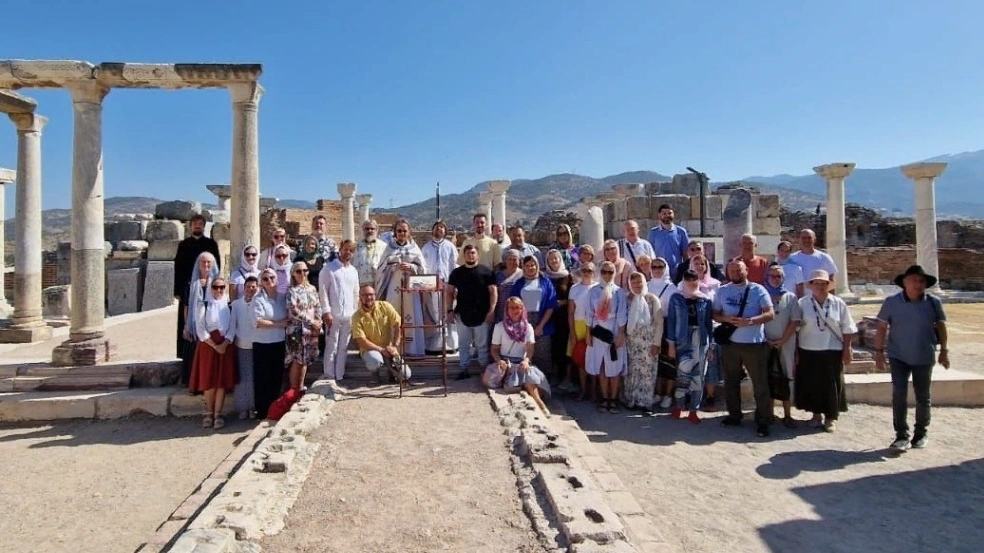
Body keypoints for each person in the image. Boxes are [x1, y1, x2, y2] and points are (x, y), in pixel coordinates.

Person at [873, 265, 949, 452]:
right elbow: (882, 327)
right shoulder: (891, 302)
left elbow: (941, 326)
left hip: (924, 355)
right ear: (905, 282)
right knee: (899, 395)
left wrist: (945, 351)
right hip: (898, 356)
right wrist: (879, 352)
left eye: (922, 281)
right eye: (914, 280)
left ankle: (921, 433)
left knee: (923, 396)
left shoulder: (933, 302)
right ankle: (901, 435)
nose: (918, 284)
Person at [714, 260, 775, 437]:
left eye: (738, 270)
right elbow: (715, 313)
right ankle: (734, 415)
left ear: (746, 270)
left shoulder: (758, 290)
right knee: (731, 381)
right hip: (731, 344)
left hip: (754, 343)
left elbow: (769, 313)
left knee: (760, 384)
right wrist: (726, 319)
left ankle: (763, 420)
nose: (735, 273)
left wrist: (750, 321)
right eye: (732, 270)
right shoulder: (723, 291)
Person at [795, 270, 857, 433]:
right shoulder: (802, 303)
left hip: (832, 348)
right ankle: (816, 415)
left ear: (828, 285)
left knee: (832, 383)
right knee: (813, 383)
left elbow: (847, 327)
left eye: (823, 283)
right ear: (811, 285)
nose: (820, 286)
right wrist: (795, 352)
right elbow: (796, 328)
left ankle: (831, 417)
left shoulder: (838, 303)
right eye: (817, 283)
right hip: (809, 348)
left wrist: (847, 348)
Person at [376, 219, 436, 357]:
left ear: (409, 232)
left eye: (404, 231)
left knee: (412, 316)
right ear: (395, 232)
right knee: (392, 316)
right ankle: (393, 349)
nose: (402, 233)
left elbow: (424, 269)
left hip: (411, 290)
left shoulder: (414, 249)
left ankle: (412, 349)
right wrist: (393, 267)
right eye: (399, 231)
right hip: (394, 288)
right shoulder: (388, 249)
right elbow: (380, 270)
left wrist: (412, 267)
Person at [188, 276, 236, 429]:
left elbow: (233, 327)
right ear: (210, 288)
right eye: (215, 287)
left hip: (225, 345)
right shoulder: (204, 305)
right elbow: (201, 328)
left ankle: (218, 414)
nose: (219, 290)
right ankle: (208, 412)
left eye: (222, 287)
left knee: (221, 381)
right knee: (209, 381)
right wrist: (215, 346)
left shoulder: (229, 305)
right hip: (209, 345)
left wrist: (225, 343)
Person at [666, 270, 714, 423]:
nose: (691, 282)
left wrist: (711, 346)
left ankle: (694, 410)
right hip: (682, 339)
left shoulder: (705, 300)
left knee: (698, 378)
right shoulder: (676, 298)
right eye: (688, 279)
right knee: (682, 376)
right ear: (683, 281)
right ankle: (679, 407)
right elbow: (671, 322)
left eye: (694, 279)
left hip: (701, 340)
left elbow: (708, 324)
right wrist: (671, 345)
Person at [490, 297, 552, 415]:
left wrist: (526, 360)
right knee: (527, 378)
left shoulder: (528, 327)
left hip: (521, 362)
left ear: (522, 309)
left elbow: (530, 349)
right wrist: (499, 361)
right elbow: (494, 349)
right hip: (506, 363)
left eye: (518, 307)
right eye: (512, 307)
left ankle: (538, 402)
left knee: (530, 376)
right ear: (507, 309)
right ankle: (540, 405)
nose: (515, 310)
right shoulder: (499, 327)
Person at [446, 244, 497, 379]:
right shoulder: (456, 273)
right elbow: (449, 292)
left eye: (473, 253)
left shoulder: (487, 272)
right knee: (463, 344)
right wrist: (449, 311)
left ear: (477, 255)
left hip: (482, 314)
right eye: (468, 253)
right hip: (462, 313)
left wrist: (491, 311)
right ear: (464, 255)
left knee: (482, 345)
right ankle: (464, 369)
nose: (471, 255)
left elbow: (493, 292)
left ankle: (484, 370)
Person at [173, 214, 220, 360]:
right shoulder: (183, 245)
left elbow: (216, 266)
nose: (197, 226)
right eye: (195, 224)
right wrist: (177, 290)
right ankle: (186, 356)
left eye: (200, 223)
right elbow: (178, 268)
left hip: (207, 287)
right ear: (190, 226)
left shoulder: (211, 244)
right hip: (188, 289)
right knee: (187, 322)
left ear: (204, 226)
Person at [586, 260, 628, 413]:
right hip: (598, 331)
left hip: (614, 331)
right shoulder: (593, 291)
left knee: (615, 366)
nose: (607, 275)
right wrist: (588, 334)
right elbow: (589, 313)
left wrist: (621, 334)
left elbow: (623, 313)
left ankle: (614, 399)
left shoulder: (619, 292)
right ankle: (604, 398)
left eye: (610, 272)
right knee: (602, 365)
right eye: (604, 272)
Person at [764, 263, 802, 428]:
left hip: (786, 343)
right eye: (772, 275)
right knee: (767, 376)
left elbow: (795, 321)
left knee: (786, 376)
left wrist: (782, 340)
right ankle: (769, 413)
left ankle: (787, 414)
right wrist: (766, 340)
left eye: (778, 276)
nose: (775, 279)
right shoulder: (762, 294)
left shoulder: (790, 297)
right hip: (765, 343)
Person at [621, 272, 663, 412]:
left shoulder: (652, 299)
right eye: (633, 283)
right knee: (632, 372)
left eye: (639, 282)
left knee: (648, 372)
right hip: (631, 343)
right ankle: (631, 400)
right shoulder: (626, 299)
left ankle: (645, 402)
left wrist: (657, 343)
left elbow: (659, 322)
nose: (637, 285)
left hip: (648, 343)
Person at [510, 255, 558, 377]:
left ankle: (543, 381)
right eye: (527, 265)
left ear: (537, 266)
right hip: (523, 320)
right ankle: (527, 379)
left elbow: (550, 304)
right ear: (523, 268)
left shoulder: (545, 281)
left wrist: (541, 325)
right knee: (525, 350)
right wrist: (521, 323)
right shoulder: (519, 283)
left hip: (542, 320)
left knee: (543, 352)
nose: (530, 267)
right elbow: (513, 303)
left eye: (533, 265)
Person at [319, 239, 359, 381]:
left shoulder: (353, 271)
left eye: (351, 250)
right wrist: (326, 311)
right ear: (340, 249)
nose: (347, 252)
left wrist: (355, 313)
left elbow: (356, 293)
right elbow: (323, 292)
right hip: (333, 314)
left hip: (348, 314)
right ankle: (329, 374)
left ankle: (339, 375)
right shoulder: (329, 268)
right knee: (331, 344)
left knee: (343, 346)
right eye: (345, 249)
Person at [253, 268, 289, 419]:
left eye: (272, 278)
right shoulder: (258, 299)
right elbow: (258, 321)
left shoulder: (283, 297)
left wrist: (274, 323)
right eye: (265, 279)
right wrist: (279, 324)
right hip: (262, 343)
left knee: (276, 378)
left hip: (278, 342)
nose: (269, 281)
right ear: (261, 282)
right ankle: (262, 412)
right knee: (262, 379)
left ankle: (274, 411)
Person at [351, 285, 404, 384]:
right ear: (360, 297)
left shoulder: (385, 306)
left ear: (375, 295)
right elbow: (361, 340)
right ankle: (375, 374)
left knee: (405, 375)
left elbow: (398, 325)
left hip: (388, 348)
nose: (368, 298)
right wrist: (381, 350)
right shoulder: (356, 316)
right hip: (370, 350)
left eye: (371, 295)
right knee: (375, 361)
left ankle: (391, 372)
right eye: (365, 295)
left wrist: (395, 346)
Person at [181, 251, 219, 386]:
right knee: (193, 355)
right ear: (198, 264)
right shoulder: (191, 284)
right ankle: (193, 384)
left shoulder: (217, 283)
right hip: (193, 324)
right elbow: (186, 306)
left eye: (209, 262)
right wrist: (186, 325)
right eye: (203, 262)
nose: (206, 265)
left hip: (211, 323)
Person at [421, 220, 459, 354]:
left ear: (445, 231)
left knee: (448, 312)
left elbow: (454, 265)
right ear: (433, 230)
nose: (440, 229)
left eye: (442, 227)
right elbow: (423, 267)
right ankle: (433, 345)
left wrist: (455, 284)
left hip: (448, 284)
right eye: (437, 227)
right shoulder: (426, 248)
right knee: (433, 314)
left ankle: (450, 344)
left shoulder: (450, 247)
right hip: (431, 286)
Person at [285, 261, 323, 390]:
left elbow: (317, 306)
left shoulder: (312, 289)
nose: (302, 273)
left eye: (305, 270)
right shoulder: (292, 291)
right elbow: (293, 311)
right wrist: (311, 321)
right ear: (293, 274)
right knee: (297, 360)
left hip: (311, 330)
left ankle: (300, 387)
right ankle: (293, 390)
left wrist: (318, 323)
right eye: (299, 271)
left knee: (306, 359)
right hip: (297, 330)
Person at [649, 256, 679, 410]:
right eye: (654, 267)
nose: (657, 270)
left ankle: (668, 394)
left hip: (667, 326)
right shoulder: (646, 286)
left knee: (669, 363)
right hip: (651, 327)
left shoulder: (673, 288)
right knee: (655, 362)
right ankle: (658, 393)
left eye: (660, 267)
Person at [229, 275, 259, 419]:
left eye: (254, 287)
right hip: (241, 345)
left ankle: (253, 407)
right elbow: (233, 325)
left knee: (254, 378)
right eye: (248, 287)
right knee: (242, 379)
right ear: (244, 288)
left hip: (258, 344)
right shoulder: (236, 305)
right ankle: (242, 408)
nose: (251, 289)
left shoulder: (260, 303)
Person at [567, 261, 597, 400]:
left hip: (594, 325)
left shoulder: (598, 288)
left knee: (594, 358)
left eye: (589, 270)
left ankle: (594, 391)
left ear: (594, 272)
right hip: (579, 324)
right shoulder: (574, 288)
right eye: (584, 269)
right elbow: (571, 312)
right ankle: (583, 389)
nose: (586, 272)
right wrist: (572, 333)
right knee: (581, 359)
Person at [544, 249, 574, 386]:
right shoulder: (545, 277)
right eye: (551, 259)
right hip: (549, 317)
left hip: (564, 317)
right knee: (553, 347)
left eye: (556, 258)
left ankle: (567, 378)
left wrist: (563, 302)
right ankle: (555, 376)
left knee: (565, 346)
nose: (554, 261)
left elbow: (573, 297)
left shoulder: (568, 277)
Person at [790, 229, 837, 296]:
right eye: (804, 238)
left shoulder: (824, 257)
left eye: (809, 238)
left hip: (819, 298)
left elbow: (831, 279)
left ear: (814, 239)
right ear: (799, 240)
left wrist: (831, 299)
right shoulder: (792, 258)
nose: (806, 240)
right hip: (798, 300)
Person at [648, 203, 690, 272]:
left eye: (669, 213)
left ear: (673, 214)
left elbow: (685, 254)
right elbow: (650, 252)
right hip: (659, 271)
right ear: (659, 215)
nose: (667, 215)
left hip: (676, 271)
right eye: (664, 213)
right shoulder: (653, 233)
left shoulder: (681, 232)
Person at [353, 219, 387, 287]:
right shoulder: (355, 247)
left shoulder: (384, 246)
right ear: (363, 230)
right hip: (361, 285)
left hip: (379, 284)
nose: (369, 231)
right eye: (367, 229)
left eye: (372, 228)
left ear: (376, 230)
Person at [495, 249, 524, 322]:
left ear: (519, 261)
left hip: (517, 310)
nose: (512, 262)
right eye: (509, 259)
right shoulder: (498, 275)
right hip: (501, 310)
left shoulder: (524, 274)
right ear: (505, 261)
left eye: (515, 259)